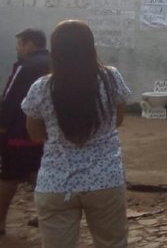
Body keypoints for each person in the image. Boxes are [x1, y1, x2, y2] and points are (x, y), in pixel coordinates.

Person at [21, 20, 130, 248]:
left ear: (55, 50)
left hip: (56, 183)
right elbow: (117, 120)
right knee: (113, 243)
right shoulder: (111, 79)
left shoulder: (41, 88)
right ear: (91, 46)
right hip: (105, 180)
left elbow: (34, 135)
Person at [0, 29, 50, 235]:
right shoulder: (56, 63)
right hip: (48, 131)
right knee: (38, 173)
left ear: (30, 44)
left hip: (19, 131)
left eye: (20, 44)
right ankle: (45, 216)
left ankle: (0, 222)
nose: (18, 49)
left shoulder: (24, 66)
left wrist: (2, 126)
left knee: (9, 176)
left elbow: (10, 98)